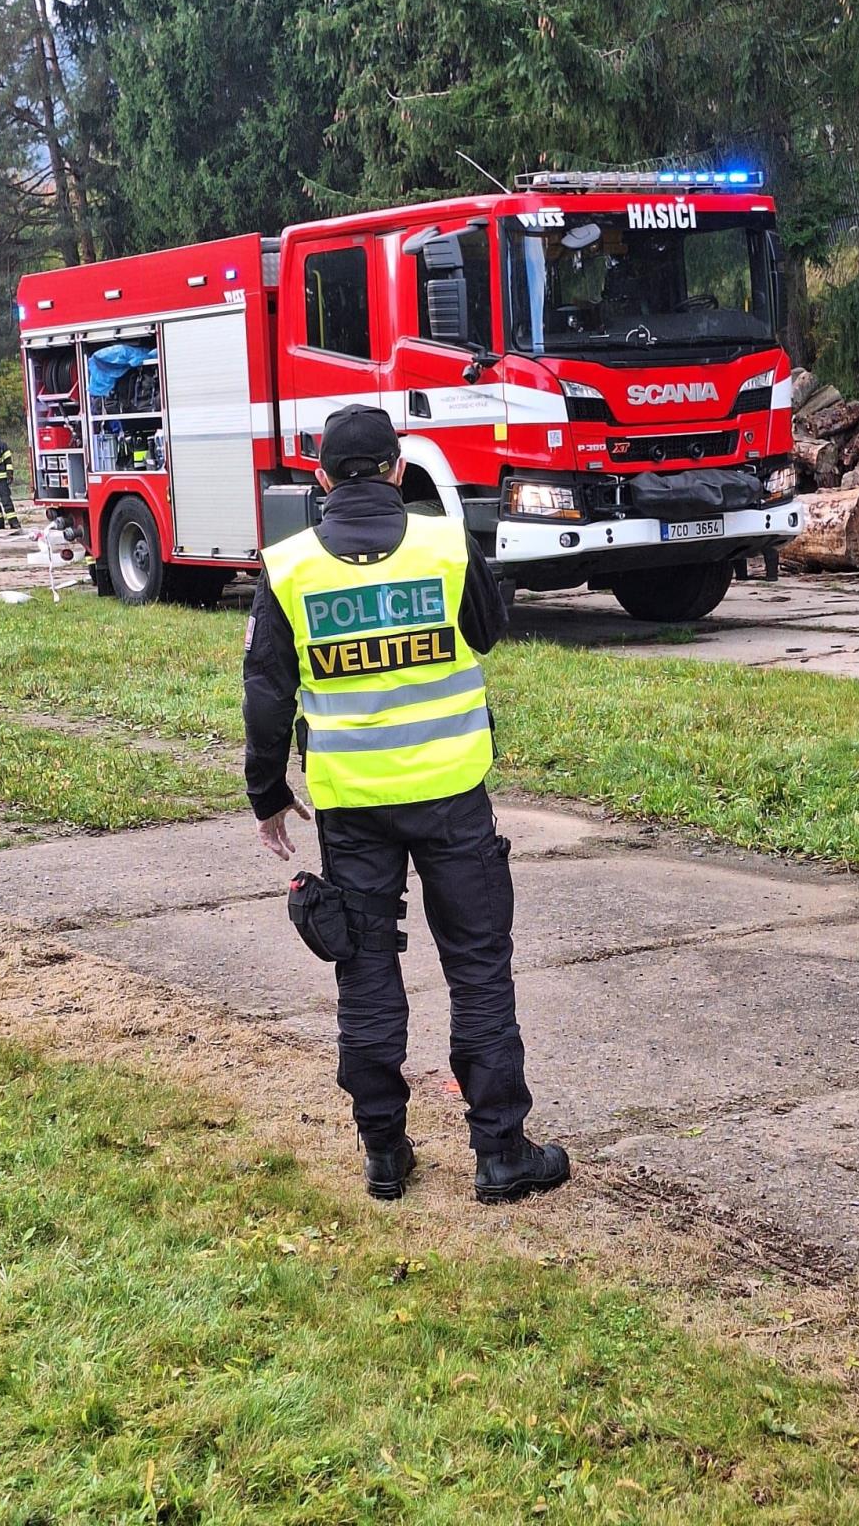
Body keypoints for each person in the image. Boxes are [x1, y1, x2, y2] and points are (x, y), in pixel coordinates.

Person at [244, 404, 570, 1206]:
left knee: (366, 976)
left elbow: (264, 695)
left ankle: (386, 1154)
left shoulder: (287, 567)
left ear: (318, 478)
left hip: (353, 810)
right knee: (479, 971)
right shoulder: (444, 543)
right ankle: (500, 1153)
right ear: (397, 469)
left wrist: (267, 796)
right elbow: (488, 634)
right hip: (454, 798)